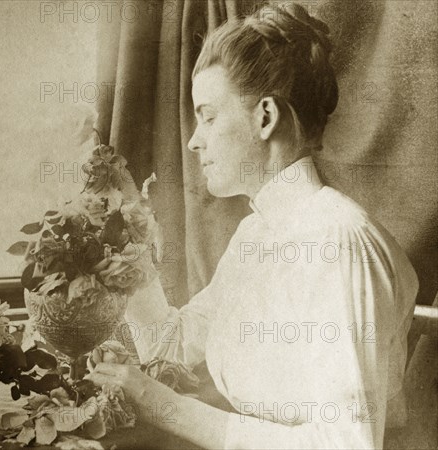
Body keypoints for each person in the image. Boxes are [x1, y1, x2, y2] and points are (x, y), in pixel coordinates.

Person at [86, 3, 419, 449]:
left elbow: (347, 443)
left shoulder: (339, 242)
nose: (193, 139)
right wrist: (127, 248)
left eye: (208, 115)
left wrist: (164, 406)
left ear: (265, 117)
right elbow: (173, 341)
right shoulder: (256, 235)